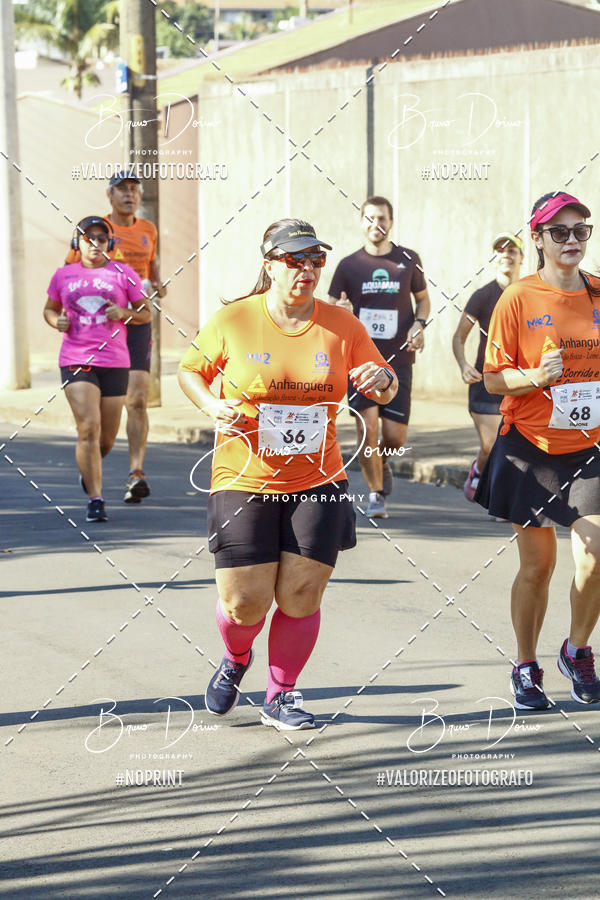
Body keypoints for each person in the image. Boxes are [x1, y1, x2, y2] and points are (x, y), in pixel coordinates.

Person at [178, 218, 397, 730]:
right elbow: (190, 371)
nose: (307, 269)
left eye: (316, 260)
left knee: (301, 594)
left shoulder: (342, 325)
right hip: (244, 476)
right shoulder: (234, 319)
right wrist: (212, 405)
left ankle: (281, 695)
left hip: (318, 480)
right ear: (270, 264)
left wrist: (382, 379)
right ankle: (235, 657)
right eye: (295, 259)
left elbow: (383, 385)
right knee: (243, 603)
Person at [475, 191, 600, 710]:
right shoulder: (518, 299)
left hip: (589, 447)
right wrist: (533, 376)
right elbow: (492, 380)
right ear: (538, 239)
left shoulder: (598, 293)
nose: (572, 240)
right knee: (538, 566)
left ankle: (576, 650)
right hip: (531, 446)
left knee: (596, 554)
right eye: (559, 232)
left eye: (580, 230)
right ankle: (525, 665)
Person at [326, 195, 431, 518]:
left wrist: (419, 324)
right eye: (370, 218)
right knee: (367, 428)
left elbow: (423, 300)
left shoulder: (408, 259)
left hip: (399, 359)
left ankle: (379, 461)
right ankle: (376, 494)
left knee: (395, 438)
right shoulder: (348, 265)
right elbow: (330, 308)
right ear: (362, 223)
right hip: (360, 361)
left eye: (382, 218)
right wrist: (340, 311)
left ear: (391, 222)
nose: (376, 224)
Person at [65, 169, 166, 503]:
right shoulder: (96, 230)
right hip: (100, 327)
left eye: (134, 189)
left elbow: (152, 270)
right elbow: (70, 272)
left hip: (135, 320)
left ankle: (136, 472)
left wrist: (157, 285)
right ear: (109, 195)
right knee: (100, 424)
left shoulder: (148, 229)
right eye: (121, 189)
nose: (129, 194)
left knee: (137, 398)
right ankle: (92, 458)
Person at [44, 216, 150, 522]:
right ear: (77, 243)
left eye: (101, 238)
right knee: (88, 427)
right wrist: (56, 321)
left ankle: (88, 468)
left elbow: (146, 313)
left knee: (106, 439)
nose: (94, 243)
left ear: (110, 244)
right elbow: (49, 309)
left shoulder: (123, 273)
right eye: (88, 238)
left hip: (115, 362)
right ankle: (96, 499)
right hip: (76, 359)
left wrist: (124, 312)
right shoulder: (63, 275)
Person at [452, 233, 524, 500]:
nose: (506, 254)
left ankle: (500, 496)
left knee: (514, 448)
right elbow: (459, 337)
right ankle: (479, 471)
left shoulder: (528, 294)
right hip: (485, 383)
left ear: (522, 257)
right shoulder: (483, 296)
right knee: (491, 444)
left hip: (519, 383)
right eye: (500, 250)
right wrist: (463, 365)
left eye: (512, 250)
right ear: (494, 257)